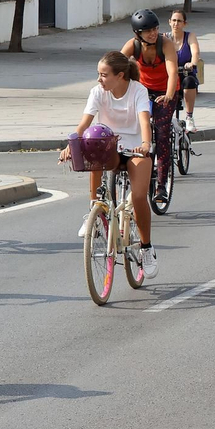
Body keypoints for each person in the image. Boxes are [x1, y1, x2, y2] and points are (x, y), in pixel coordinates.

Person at [61, 51, 159, 277]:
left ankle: (146, 248)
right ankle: (94, 209)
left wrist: (145, 144)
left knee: (138, 196)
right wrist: (70, 144)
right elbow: (84, 124)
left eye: (104, 75)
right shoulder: (97, 93)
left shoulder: (138, 90)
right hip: (109, 148)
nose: (99, 79)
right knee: (90, 147)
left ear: (120, 75)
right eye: (98, 74)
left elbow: (145, 120)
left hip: (135, 149)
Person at [119, 9, 179, 204]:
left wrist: (169, 95)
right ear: (138, 34)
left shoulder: (166, 44)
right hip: (144, 91)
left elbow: (172, 72)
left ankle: (161, 186)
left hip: (166, 92)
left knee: (162, 134)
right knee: (134, 126)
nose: (153, 33)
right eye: (147, 31)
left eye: (155, 29)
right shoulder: (133, 46)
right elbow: (116, 64)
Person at [168, 9, 204, 132]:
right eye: (173, 20)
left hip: (185, 73)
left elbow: (195, 52)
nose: (176, 24)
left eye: (179, 21)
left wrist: (192, 63)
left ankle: (189, 117)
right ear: (169, 22)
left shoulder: (190, 36)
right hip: (170, 75)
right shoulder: (165, 38)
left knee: (189, 81)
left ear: (184, 23)